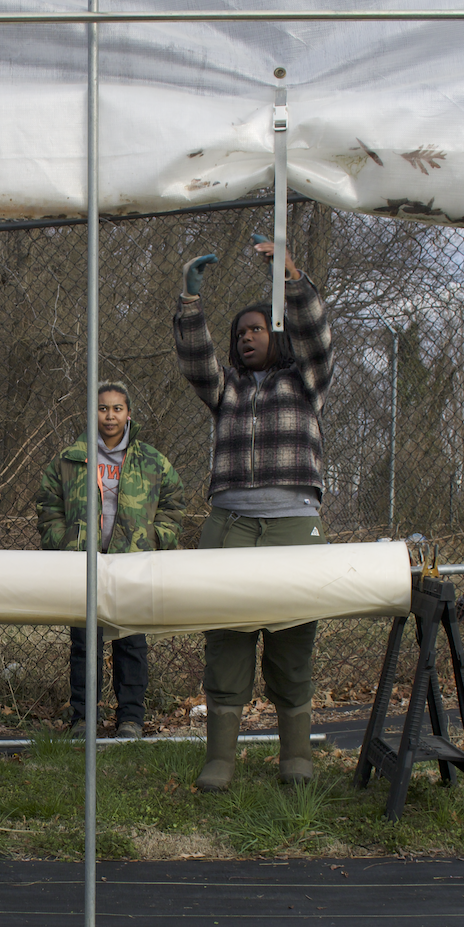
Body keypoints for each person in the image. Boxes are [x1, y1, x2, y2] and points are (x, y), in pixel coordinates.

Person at [174, 237, 333, 791]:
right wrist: (190, 305)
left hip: (293, 524)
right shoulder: (227, 391)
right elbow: (198, 364)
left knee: (292, 636)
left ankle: (296, 757)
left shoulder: (305, 381)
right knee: (228, 638)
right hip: (231, 526)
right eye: (239, 333)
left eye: (256, 330)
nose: (245, 339)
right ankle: (220, 758)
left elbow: (317, 337)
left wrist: (291, 278)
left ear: (278, 335)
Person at [35, 381, 185, 738]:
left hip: (131, 564)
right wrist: (64, 543)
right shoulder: (72, 458)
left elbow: (174, 504)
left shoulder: (150, 460)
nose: (110, 415)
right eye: (103, 408)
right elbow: (47, 504)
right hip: (85, 564)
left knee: (131, 642)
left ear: (128, 413)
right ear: (93, 413)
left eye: (117, 408)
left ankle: (130, 718)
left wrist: (155, 538)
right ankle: (83, 718)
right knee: (85, 642)